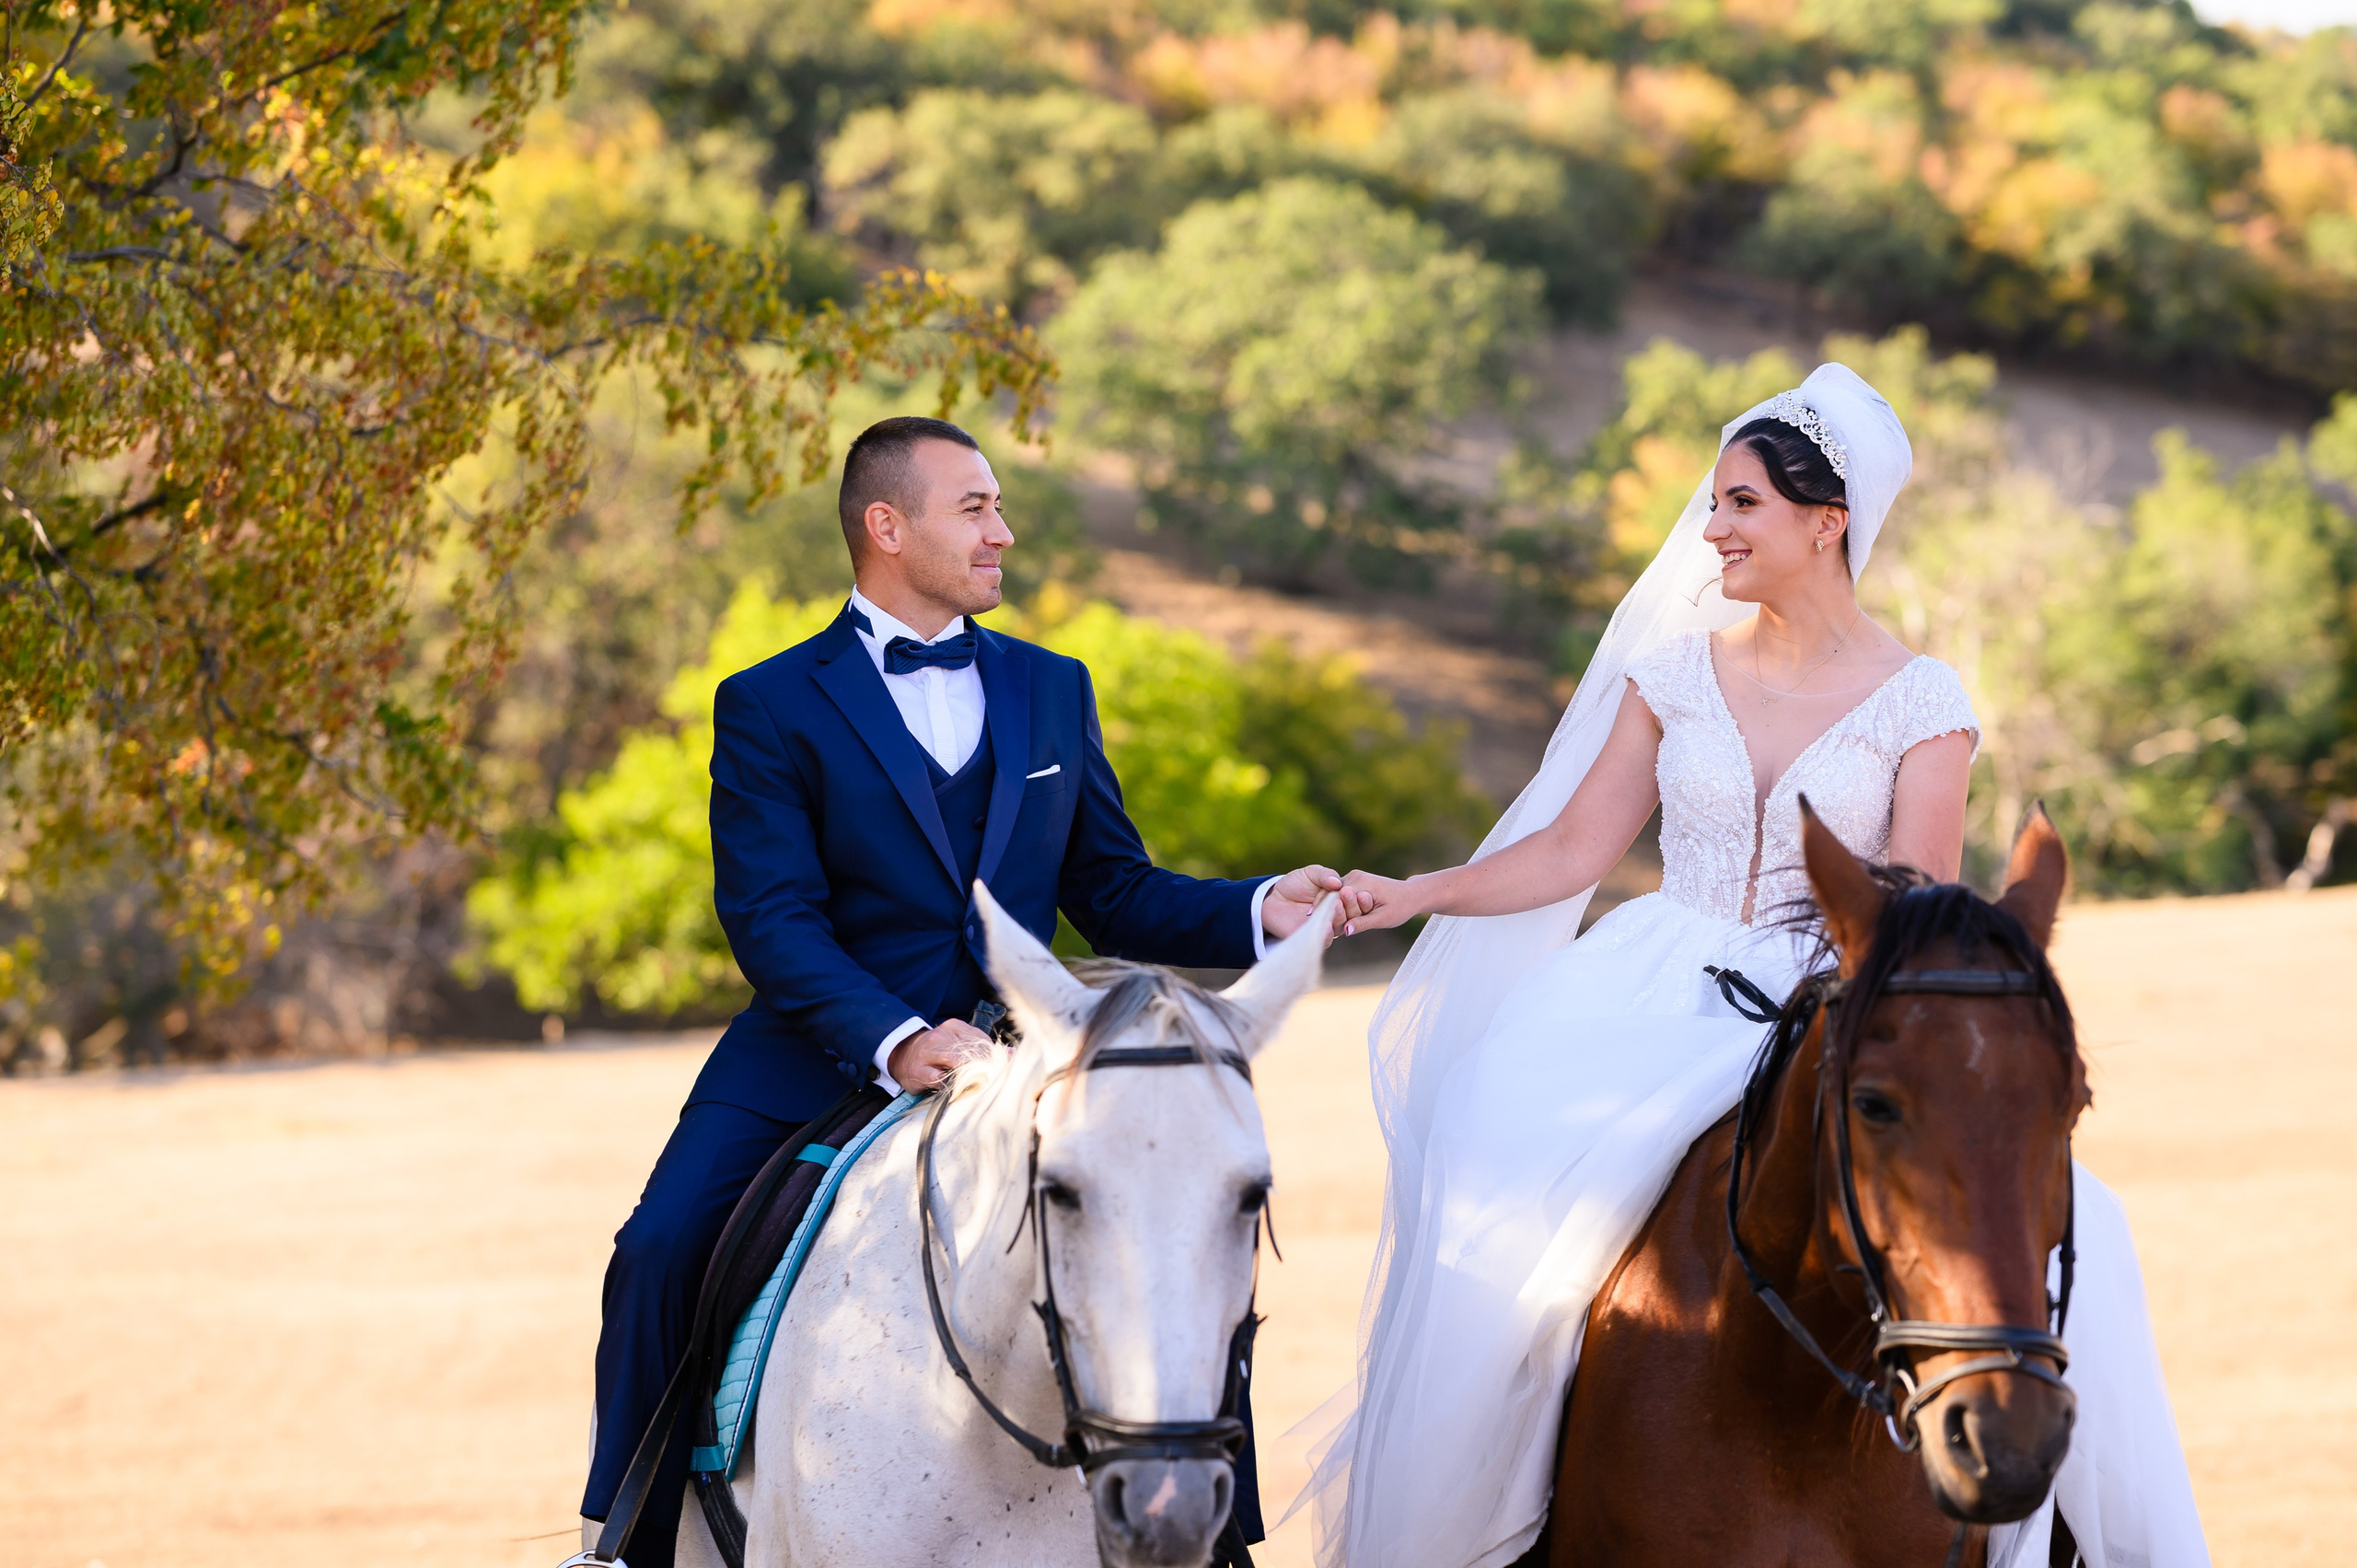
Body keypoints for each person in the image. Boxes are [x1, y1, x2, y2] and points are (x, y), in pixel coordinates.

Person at [1304, 366, 2209, 1568]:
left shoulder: (1922, 699)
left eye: (1740, 504)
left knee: (2086, 1230)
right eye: (1718, 503)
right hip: (1649, 995)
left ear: (1824, 520)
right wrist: (1416, 892)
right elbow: (1576, 846)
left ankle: (2079, 1536)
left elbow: (1916, 903)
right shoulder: (1675, 670)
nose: (1712, 528)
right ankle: (1474, 1523)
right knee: (1503, 1165)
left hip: (1836, 1003)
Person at [580, 414, 1365, 1565]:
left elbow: (1113, 887)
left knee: (1174, 1219)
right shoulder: (769, 702)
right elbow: (772, 918)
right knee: (656, 1246)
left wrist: (1256, 908)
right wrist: (891, 1037)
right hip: (817, 1046)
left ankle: (1216, 1536)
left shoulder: (1053, 686)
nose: (1003, 531)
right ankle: (627, 1539)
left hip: (1034, 1052)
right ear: (886, 527)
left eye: (998, 505)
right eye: (976, 508)